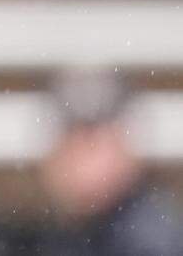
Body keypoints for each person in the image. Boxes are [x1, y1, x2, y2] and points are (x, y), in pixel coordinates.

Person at [37, 68, 183, 255]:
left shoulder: (150, 239)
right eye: (68, 140)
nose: (79, 162)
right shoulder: (67, 234)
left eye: (91, 142)